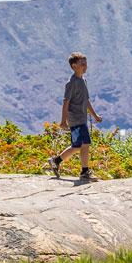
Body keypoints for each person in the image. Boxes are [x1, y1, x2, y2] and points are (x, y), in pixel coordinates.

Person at [44, 52, 103, 181]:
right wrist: (63, 121)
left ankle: (58, 162)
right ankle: (83, 171)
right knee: (82, 144)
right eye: (82, 64)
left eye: (86, 63)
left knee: (80, 145)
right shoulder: (72, 83)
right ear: (74, 66)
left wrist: (94, 115)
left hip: (82, 119)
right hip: (75, 119)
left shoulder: (83, 81)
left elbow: (86, 100)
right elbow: (66, 102)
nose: (85, 66)